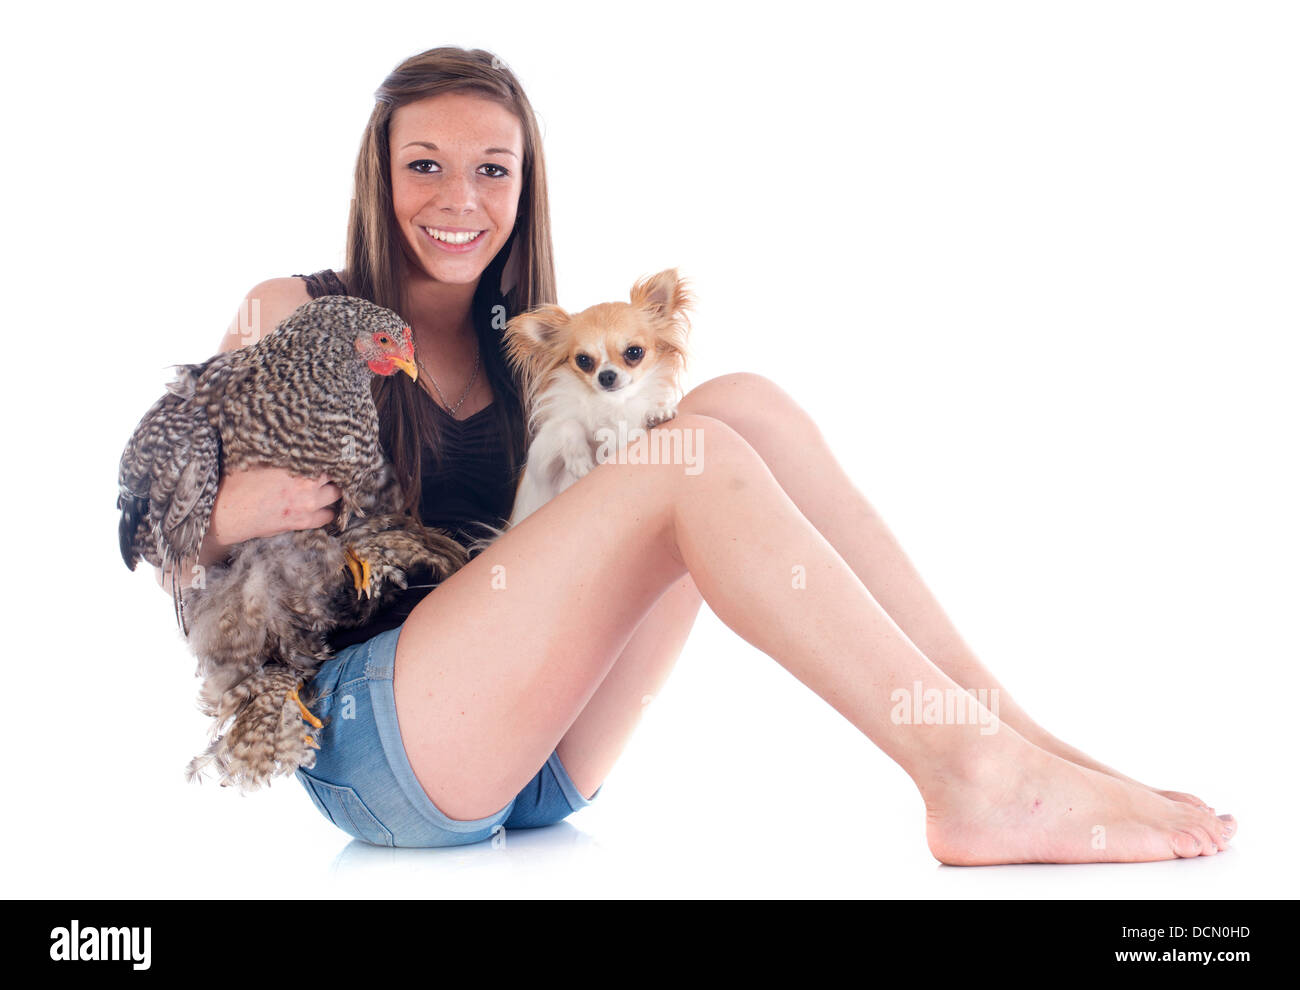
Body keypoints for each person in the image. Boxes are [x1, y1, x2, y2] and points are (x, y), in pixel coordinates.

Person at [158, 46, 1235, 861]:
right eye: (425, 165)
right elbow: (153, 533)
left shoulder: (531, 342)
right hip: (373, 744)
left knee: (735, 407)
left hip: (538, 758)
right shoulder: (293, 312)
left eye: (493, 169)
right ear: (377, 174)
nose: (460, 200)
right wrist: (227, 514)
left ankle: (1001, 732)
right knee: (696, 458)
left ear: (524, 185)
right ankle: (974, 782)